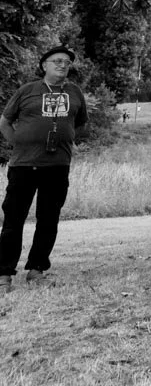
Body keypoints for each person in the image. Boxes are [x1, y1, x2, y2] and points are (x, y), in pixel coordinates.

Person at [0, 44, 88, 291]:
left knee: (48, 220)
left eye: (67, 62)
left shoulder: (74, 92)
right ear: (44, 65)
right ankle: (3, 274)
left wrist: (65, 138)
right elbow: (5, 121)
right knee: (14, 219)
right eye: (57, 61)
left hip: (57, 166)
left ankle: (36, 270)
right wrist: (20, 143)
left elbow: (80, 124)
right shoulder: (27, 90)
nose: (63, 65)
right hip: (24, 165)